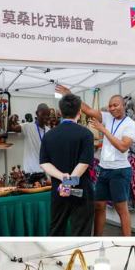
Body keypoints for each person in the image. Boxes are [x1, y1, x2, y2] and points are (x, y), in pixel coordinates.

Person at [57, 85, 135, 236]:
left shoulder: (130, 125)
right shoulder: (107, 117)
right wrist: (69, 94)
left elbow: (123, 147)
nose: (112, 108)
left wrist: (104, 130)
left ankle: (129, 242)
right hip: (104, 170)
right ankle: (98, 238)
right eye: (110, 105)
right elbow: (87, 109)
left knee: (121, 209)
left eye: (116, 105)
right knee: (99, 206)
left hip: (120, 171)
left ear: (123, 105)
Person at [40, 94, 97, 236]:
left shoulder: (49, 135)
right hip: (82, 191)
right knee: (81, 233)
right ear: (79, 112)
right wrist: (69, 182)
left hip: (59, 191)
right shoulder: (86, 134)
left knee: (56, 232)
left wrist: (62, 179)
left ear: (60, 112)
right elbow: (83, 164)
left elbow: (44, 163)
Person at [9, 104, 52, 178]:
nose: (46, 117)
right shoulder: (28, 127)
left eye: (48, 115)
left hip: (45, 173)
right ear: (36, 113)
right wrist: (11, 119)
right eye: (44, 114)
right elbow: (13, 128)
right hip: (30, 173)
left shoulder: (49, 131)